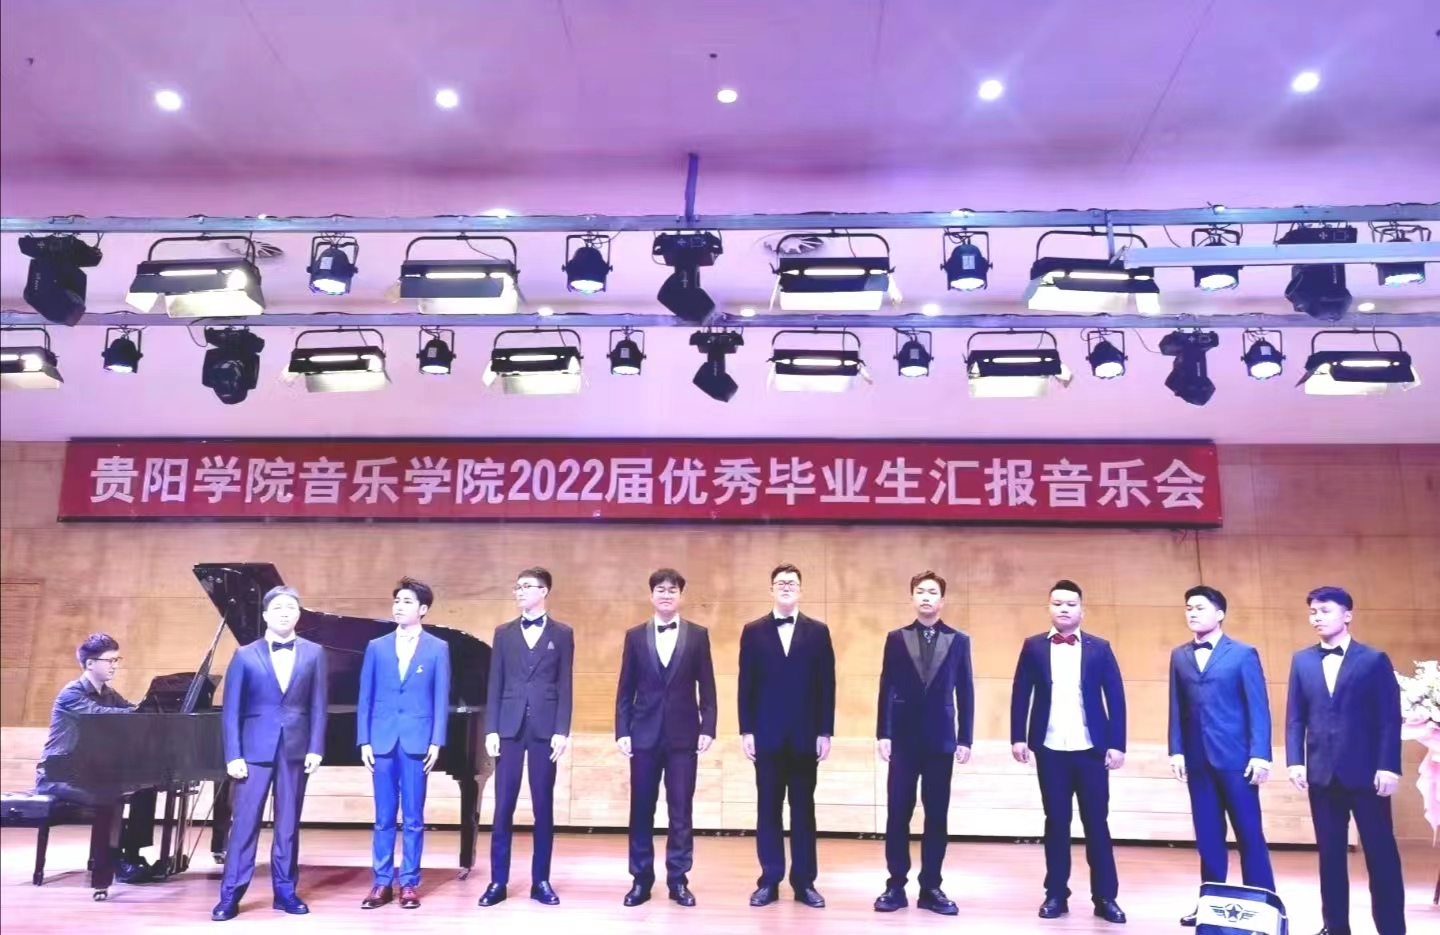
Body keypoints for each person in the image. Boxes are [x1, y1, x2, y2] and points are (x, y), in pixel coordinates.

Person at [1285, 585, 1406, 935]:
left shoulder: (1373, 660)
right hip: (1321, 775)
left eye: (1325, 611)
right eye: (1313, 612)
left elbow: (1389, 718)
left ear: (1347, 615)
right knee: (1330, 857)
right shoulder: (1302, 661)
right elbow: (1295, 717)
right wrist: (1295, 760)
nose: (1317, 617)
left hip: (1367, 774)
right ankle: (1335, 927)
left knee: (1381, 856)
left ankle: (1392, 929)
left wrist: (1389, 766)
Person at [1010, 579, 1127, 923]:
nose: (1064, 608)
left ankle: (1105, 897)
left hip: (1091, 750)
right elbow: (1021, 693)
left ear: (1081, 609)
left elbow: (1116, 697)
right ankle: (1056, 894)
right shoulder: (1033, 647)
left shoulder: (1099, 648)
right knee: (1056, 823)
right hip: (1050, 750)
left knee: (1097, 825)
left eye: (1070, 603)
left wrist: (1117, 744)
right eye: (1058, 603)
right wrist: (1018, 737)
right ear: (1049, 607)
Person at [212, 585, 328, 922]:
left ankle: (286, 892)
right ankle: (230, 895)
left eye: (290, 607)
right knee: (244, 824)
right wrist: (233, 755)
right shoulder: (245, 655)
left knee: (288, 824)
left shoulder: (314, 653)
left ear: (298, 614)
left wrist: (316, 747)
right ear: (265, 615)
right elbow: (231, 711)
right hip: (253, 751)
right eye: (277, 608)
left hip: (295, 749)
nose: (284, 613)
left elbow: (319, 705)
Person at [1167, 585, 1275, 927]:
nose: (1192, 612)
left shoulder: (1242, 654)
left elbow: (1259, 707)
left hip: (1237, 760)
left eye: (1199, 607)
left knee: (1249, 835)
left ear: (1220, 613)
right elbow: (1176, 706)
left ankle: (1263, 905)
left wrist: (1260, 754)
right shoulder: (1179, 655)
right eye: (1188, 607)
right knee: (1208, 838)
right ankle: (1210, 905)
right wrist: (1176, 749)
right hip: (1198, 760)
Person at [614, 567, 718, 908]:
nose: (666, 594)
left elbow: (708, 686)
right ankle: (640, 880)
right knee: (641, 811)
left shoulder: (698, 635)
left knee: (681, 812)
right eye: (660, 589)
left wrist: (708, 726)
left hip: (683, 737)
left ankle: (678, 880)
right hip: (643, 736)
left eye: (672, 590)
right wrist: (622, 730)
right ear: (651, 595)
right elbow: (625, 688)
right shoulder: (634, 636)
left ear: (681, 596)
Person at [873, 571, 974, 916]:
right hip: (903, 739)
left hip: (941, 739)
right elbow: (886, 686)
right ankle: (895, 885)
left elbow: (966, 690)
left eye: (932, 592)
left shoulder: (958, 640)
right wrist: (883, 733)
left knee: (937, 815)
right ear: (912, 598)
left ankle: (931, 886)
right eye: (920, 591)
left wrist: (965, 737)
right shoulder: (896, 638)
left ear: (942, 600)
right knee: (898, 812)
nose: (926, 597)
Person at [737, 563, 836, 909]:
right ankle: (769, 880)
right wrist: (746, 730)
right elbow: (745, 684)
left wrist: (825, 731)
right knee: (768, 809)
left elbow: (827, 685)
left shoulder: (818, 632)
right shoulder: (752, 631)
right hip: (766, 736)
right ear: (771, 589)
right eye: (780, 582)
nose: (786, 587)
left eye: (792, 583)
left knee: (804, 810)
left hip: (806, 737)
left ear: (801, 590)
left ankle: (805, 883)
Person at [478, 567, 574, 908]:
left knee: (542, 806)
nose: (519, 591)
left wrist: (562, 730)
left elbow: (565, 683)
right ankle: (497, 881)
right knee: (503, 806)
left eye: (527, 586)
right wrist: (491, 728)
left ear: (544, 591)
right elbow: (495, 682)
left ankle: (541, 881)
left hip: (545, 730)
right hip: (509, 728)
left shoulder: (563, 633)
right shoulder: (503, 633)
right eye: (517, 586)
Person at [357, 577, 451, 910]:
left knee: (413, 817)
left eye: (407, 601)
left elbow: (441, 698)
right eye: (397, 600)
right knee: (383, 817)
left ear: (423, 609)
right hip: (381, 740)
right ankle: (381, 882)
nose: (399, 606)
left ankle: (409, 882)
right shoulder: (377, 646)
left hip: (417, 741)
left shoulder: (438, 648)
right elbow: (365, 696)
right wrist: (364, 740)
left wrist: (436, 741)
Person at [35, 633, 158, 885]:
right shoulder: (72, 693)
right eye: (110, 660)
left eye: (116, 660)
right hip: (58, 775)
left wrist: (154, 711)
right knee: (109, 795)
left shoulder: (109, 693)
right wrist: (138, 714)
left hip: (86, 773)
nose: (115, 666)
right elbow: (101, 716)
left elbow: (130, 711)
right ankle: (112, 863)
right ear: (90, 663)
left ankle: (132, 854)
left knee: (146, 789)